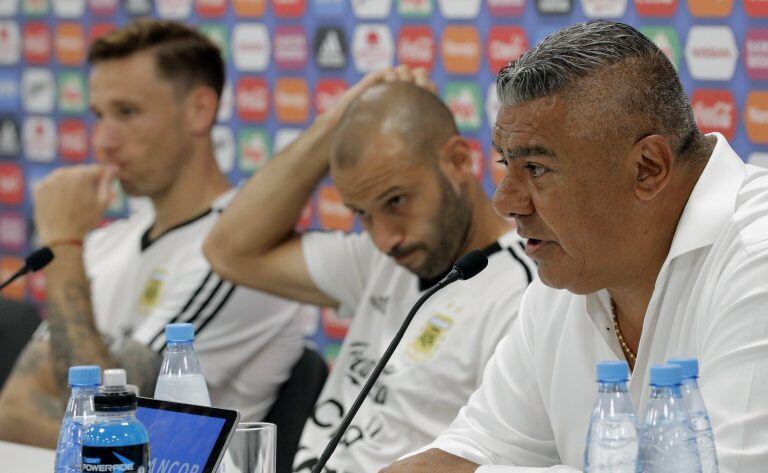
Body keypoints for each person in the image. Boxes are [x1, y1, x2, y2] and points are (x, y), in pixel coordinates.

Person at [381, 19, 768, 473]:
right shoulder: (567, 273)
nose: (505, 202)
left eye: (537, 168)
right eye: (506, 163)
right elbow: (474, 450)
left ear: (647, 168)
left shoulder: (755, 257)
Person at [203, 68, 536, 473]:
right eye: (362, 214)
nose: (384, 238)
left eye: (396, 201)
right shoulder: (382, 260)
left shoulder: (527, 293)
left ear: (458, 161)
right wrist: (340, 119)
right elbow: (228, 251)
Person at [0, 19, 306, 448]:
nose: (104, 141)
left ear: (200, 110)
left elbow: (121, 427)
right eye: (98, 116)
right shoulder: (110, 240)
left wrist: (64, 243)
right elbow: (14, 406)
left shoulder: (239, 255)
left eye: (128, 113)